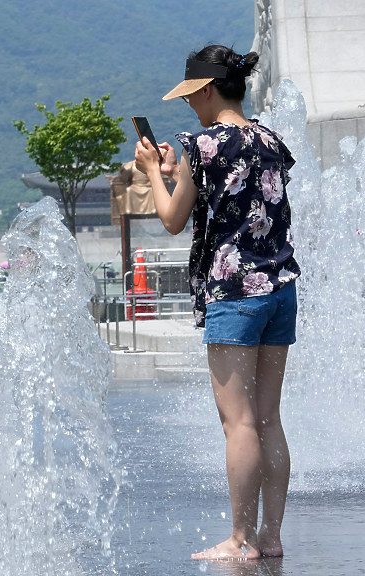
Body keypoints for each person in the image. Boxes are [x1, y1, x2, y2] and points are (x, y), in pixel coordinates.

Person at [134, 45, 299, 560]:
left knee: (239, 421)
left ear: (206, 89)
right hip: (280, 289)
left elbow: (171, 218)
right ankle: (270, 535)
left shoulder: (202, 144)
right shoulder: (271, 139)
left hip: (234, 292)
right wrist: (178, 171)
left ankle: (239, 539)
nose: (188, 106)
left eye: (190, 95)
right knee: (269, 417)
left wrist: (153, 173)